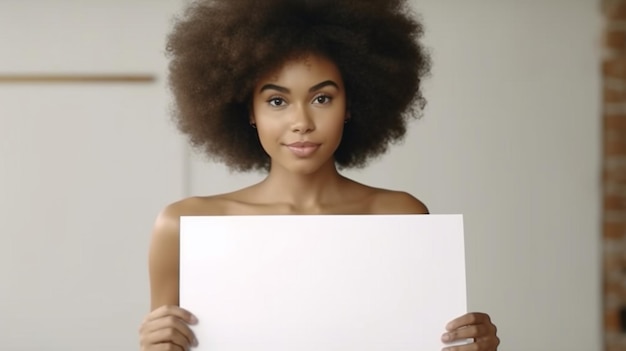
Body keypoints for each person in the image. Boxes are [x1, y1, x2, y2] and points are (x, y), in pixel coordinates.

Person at [138, 0, 500, 350]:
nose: (302, 123)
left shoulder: (398, 215)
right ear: (249, 111)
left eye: (321, 98)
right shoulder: (183, 226)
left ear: (351, 105)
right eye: (277, 101)